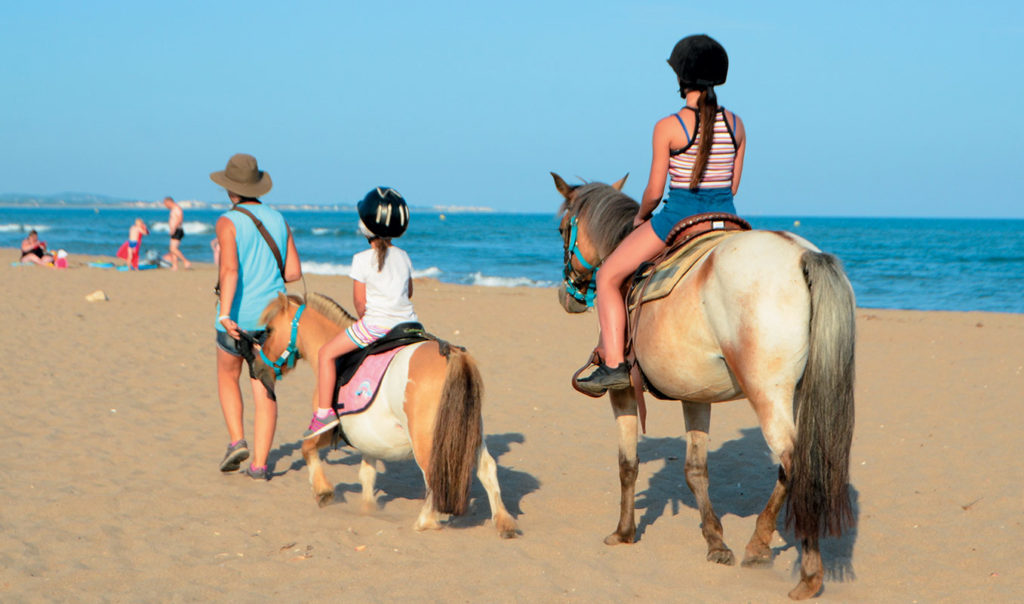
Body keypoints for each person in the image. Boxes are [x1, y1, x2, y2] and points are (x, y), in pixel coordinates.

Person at [575, 34, 746, 396]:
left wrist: (641, 216)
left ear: (681, 78)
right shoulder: (736, 125)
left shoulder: (669, 126)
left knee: (607, 276)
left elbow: (655, 191)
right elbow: (732, 187)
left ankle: (614, 365)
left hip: (680, 218)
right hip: (728, 220)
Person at [212, 153, 302, 480]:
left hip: (238, 315)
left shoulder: (227, 221)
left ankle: (237, 440)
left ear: (229, 189)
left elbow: (230, 270)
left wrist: (224, 314)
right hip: (274, 320)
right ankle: (260, 465)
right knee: (264, 387)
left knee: (227, 377)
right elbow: (292, 271)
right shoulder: (278, 219)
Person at [303, 187, 416, 439]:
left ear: (366, 226)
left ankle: (323, 413)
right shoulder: (405, 257)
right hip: (409, 325)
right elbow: (408, 293)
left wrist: (367, 318)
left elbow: (359, 304)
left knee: (325, 353)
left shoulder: (361, 259)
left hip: (375, 326)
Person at [162, 196, 192, 270]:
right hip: (175, 230)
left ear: (169, 202)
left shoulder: (176, 208)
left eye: (165, 204)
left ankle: (186, 261)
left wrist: (174, 229)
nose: (165, 206)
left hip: (177, 230)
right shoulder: (173, 209)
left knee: (173, 249)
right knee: (173, 249)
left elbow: (180, 219)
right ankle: (175, 266)